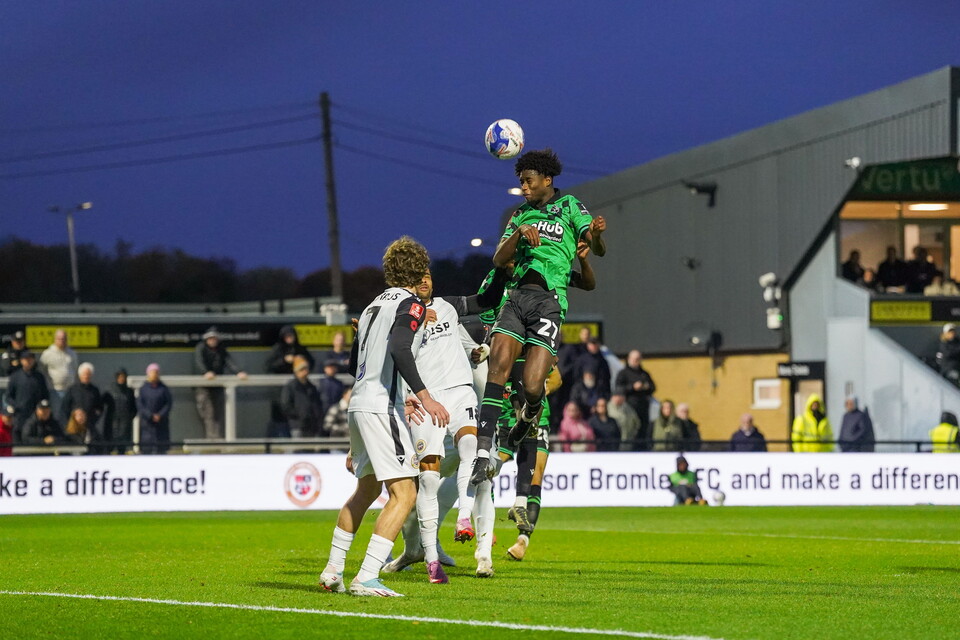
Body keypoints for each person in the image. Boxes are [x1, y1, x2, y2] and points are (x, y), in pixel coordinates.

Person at [318, 236, 448, 598]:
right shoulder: (411, 304)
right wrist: (425, 397)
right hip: (379, 406)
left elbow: (353, 364)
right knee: (405, 493)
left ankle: (332, 570)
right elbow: (400, 349)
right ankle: (367, 577)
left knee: (366, 489)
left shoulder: (374, 305)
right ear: (419, 269)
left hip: (359, 404)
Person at [471, 148, 606, 484]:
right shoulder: (519, 215)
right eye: (521, 183)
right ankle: (483, 450)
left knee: (533, 386)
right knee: (497, 366)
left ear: (547, 180)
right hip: (517, 298)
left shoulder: (570, 206)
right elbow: (498, 259)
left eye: (529, 181)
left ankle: (530, 412)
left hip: (549, 302)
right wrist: (517, 234)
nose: (524, 188)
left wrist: (597, 236)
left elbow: (596, 247)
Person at [403, 267, 505, 581]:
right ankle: (418, 548)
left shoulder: (448, 307)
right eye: (417, 276)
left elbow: (479, 313)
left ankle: (478, 545)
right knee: (421, 485)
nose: (424, 280)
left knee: (479, 461)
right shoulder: (401, 316)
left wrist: (477, 352)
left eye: (429, 276)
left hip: (461, 397)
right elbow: (394, 355)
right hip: (428, 404)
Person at [193, 326, 248, 439]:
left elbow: (229, 361)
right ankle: (212, 442)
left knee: (219, 414)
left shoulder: (221, 349)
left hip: (217, 386)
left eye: (215, 338)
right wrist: (206, 372)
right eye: (210, 338)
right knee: (208, 414)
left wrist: (239, 372)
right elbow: (199, 363)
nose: (213, 340)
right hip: (203, 387)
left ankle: (218, 441)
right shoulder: (200, 348)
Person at [614, 350, 656, 450]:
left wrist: (645, 387)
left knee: (643, 430)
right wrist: (633, 387)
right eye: (634, 359)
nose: (636, 361)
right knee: (631, 430)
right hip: (629, 407)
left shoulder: (644, 374)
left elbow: (653, 387)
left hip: (644, 407)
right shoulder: (623, 373)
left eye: (638, 359)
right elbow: (619, 388)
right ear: (629, 359)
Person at [4, 350, 49, 433]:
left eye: (30, 359)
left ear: (34, 360)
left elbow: (45, 395)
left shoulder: (39, 377)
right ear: (21, 361)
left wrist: (41, 408)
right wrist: (16, 406)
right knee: (18, 433)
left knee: (34, 433)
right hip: (19, 413)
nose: (28, 361)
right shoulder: (15, 376)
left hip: (35, 414)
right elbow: (8, 396)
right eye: (25, 359)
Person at [280, 355, 324, 437]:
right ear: (296, 371)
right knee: (299, 447)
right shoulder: (290, 386)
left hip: (312, 426)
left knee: (310, 448)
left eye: (306, 369)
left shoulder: (311, 387)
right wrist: (300, 415)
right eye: (302, 369)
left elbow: (317, 405)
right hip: (297, 425)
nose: (305, 371)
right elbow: (286, 406)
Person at [137, 363, 173, 454]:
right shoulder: (143, 389)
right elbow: (140, 405)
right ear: (148, 374)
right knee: (147, 449)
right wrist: (150, 415)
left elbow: (168, 403)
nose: (154, 374)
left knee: (161, 449)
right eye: (152, 372)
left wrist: (160, 415)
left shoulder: (164, 388)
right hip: (147, 425)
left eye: (156, 372)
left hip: (161, 424)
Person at [59, 362, 103, 436]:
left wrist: (92, 420)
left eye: (88, 374)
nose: (86, 376)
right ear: (80, 375)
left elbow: (99, 408)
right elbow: (64, 408)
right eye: (84, 374)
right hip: (73, 427)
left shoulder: (95, 390)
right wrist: (66, 425)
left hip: (88, 427)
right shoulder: (72, 389)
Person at [39, 329, 78, 411]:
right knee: (57, 414)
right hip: (54, 391)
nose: (62, 341)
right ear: (55, 339)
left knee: (69, 414)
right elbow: (42, 370)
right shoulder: (48, 354)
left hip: (70, 390)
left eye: (64, 339)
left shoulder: (72, 353)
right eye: (59, 339)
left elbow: (75, 369)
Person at [102, 368, 136, 454]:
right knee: (109, 449)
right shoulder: (109, 390)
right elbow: (100, 403)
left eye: (123, 377)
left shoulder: (129, 392)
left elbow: (134, 408)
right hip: (111, 425)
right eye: (120, 376)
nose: (122, 378)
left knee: (122, 449)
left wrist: (128, 419)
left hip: (124, 425)